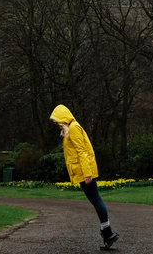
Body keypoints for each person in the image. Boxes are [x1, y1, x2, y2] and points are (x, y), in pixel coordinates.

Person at [50, 104, 119, 249]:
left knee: (96, 200)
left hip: (84, 172)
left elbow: (82, 152)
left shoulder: (74, 128)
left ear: (63, 118)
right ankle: (107, 234)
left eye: (56, 120)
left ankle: (108, 233)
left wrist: (87, 174)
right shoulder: (71, 128)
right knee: (96, 200)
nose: (56, 123)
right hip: (83, 171)